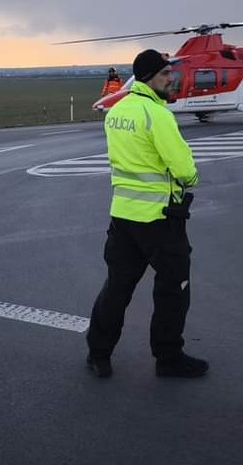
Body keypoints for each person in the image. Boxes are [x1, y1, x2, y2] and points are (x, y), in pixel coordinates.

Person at [85, 49, 207, 379]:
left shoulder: (117, 112)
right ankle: (168, 358)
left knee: (117, 288)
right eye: (166, 74)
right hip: (160, 219)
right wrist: (193, 178)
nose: (172, 79)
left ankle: (98, 353)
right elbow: (183, 168)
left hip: (123, 216)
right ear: (150, 77)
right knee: (173, 289)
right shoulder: (158, 115)